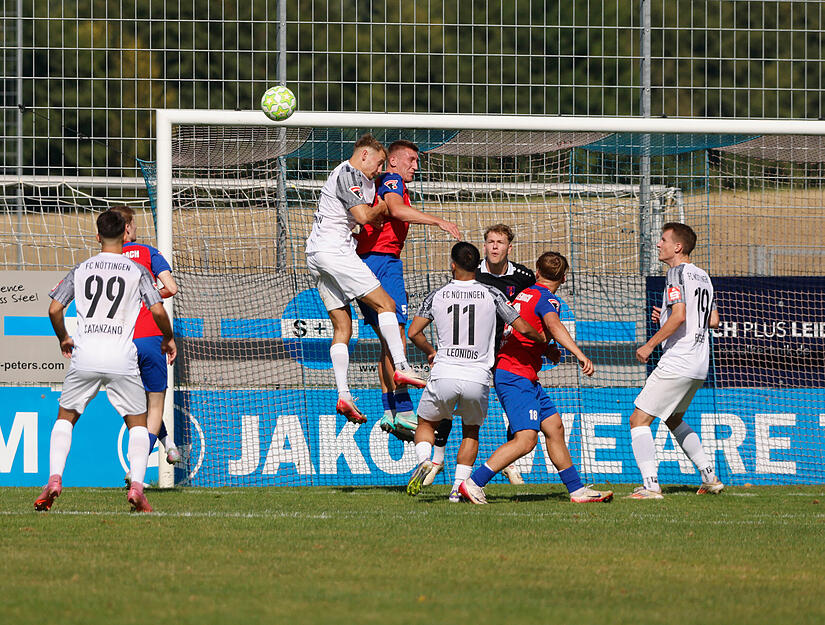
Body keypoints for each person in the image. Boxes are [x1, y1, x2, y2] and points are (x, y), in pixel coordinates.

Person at [35, 209, 177, 513]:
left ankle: (55, 480)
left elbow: (54, 309)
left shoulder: (82, 268)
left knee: (65, 418)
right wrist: (167, 337)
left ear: (98, 236)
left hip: (85, 355)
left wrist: (63, 337)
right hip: (121, 357)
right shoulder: (137, 270)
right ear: (124, 233)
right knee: (137, 424)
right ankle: (137, 487)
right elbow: (158, 310)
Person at [459, 251, 613, 505]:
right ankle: (473, 483)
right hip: (514, 375)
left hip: (523, 374)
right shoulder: (547, 299)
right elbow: (554, 326)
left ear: (537, 272)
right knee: (526, 440)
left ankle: (576, 490)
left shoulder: (526, 292)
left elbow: (528, 329)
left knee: (554, 427)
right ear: (564, 278)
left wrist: (546, 349)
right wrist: (579, 354)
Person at [405, 242, 547, 501]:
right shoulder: (492, 294)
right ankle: (457, 490)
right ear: (477, 266)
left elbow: (413, 332)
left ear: (452, 264)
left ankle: (426, 460)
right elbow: (521, 327)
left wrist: (430, 351)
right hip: (478, 377)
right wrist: (542, 339)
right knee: (471, 431)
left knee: (426, 423)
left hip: (445, 372)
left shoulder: (437, 294)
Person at [305, 133, 425, 424]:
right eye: (379, 163)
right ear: (364, 156)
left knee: (343, 326)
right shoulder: (348, 173)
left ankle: (344, 394)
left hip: (317, 256)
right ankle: (401, 366)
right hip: (335, 252)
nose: (380, 169)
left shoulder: (355, 176)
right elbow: (364, 217)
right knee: (387, 305)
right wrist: (385, 204)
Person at [354, 140, 460, 442]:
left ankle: (390, 413)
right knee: (397, 336)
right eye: (411, 160)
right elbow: (398, 211)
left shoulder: (386, 182)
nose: (416, 166)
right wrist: (438, 220)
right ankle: (403, 409)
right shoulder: (392, 180)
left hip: (368, 262)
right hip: (382, 262)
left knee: (389, 342)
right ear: (393, 162)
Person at [425, 223, 535, 486]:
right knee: (448, 405)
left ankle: (510, 462)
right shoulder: (472, 274)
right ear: (484, 246)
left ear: (510, 247)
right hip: (471, 355)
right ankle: (437, 460)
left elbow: (534, 306)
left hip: (507, 351)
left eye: (500, 242)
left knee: (513, 405)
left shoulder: (523, 276)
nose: (494, 246)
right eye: (490, 242)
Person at [628, 222, 724, 499]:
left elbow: (681, 315)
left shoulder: (675, 273)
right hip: (699, 363)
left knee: (638, 420)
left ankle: (650, 486)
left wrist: (649, 344)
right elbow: (713, 321)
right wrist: (667, 317)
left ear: (677, 247)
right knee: (673, 418)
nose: (659, 244)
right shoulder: (704, 277)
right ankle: (709, 477)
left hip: (679, 359)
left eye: (663, 240)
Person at [110, 205, 181, 485]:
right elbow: (172, 288)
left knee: (138, 405)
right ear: (127, 227)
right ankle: (136, 469)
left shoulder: (105, 259)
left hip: (119, 340)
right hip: (150, 335)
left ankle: (168, 444)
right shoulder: (148, 252)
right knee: (154, 405)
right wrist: (148, 295)